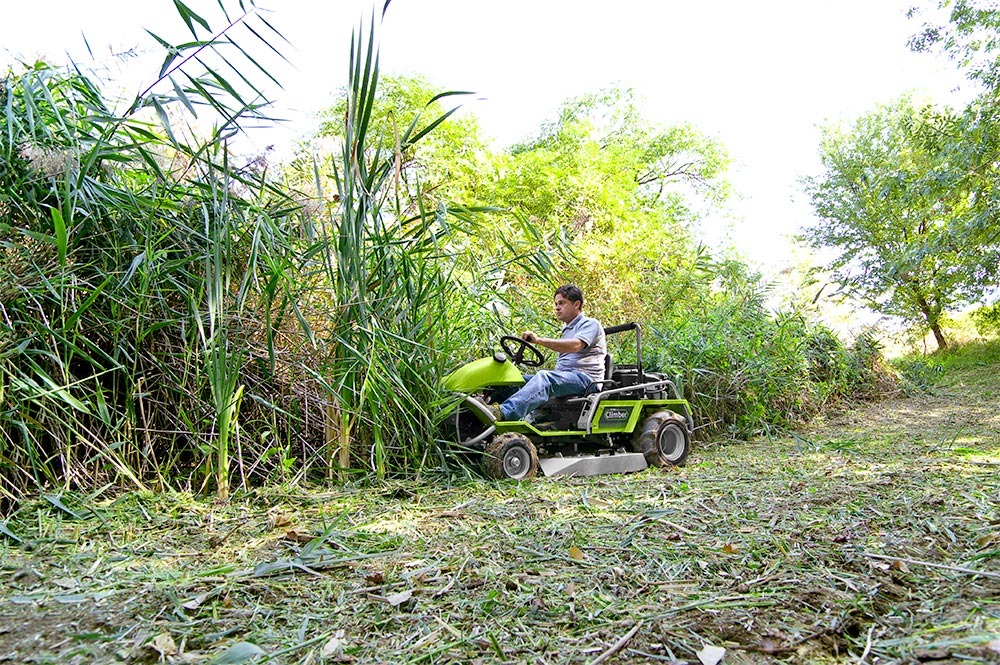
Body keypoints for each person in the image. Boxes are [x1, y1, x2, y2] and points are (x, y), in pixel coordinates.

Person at [490, 284, 607, 421]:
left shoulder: (590, 324)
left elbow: (575, 346)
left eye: (562, 303)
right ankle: (488, 413)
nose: (557, 307)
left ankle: (503, 413)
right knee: (512, 380)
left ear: (576, 304)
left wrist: (539, 340)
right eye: (556, 303)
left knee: (545, 377)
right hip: (567, 376)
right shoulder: (567, 329)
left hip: (586, 380)